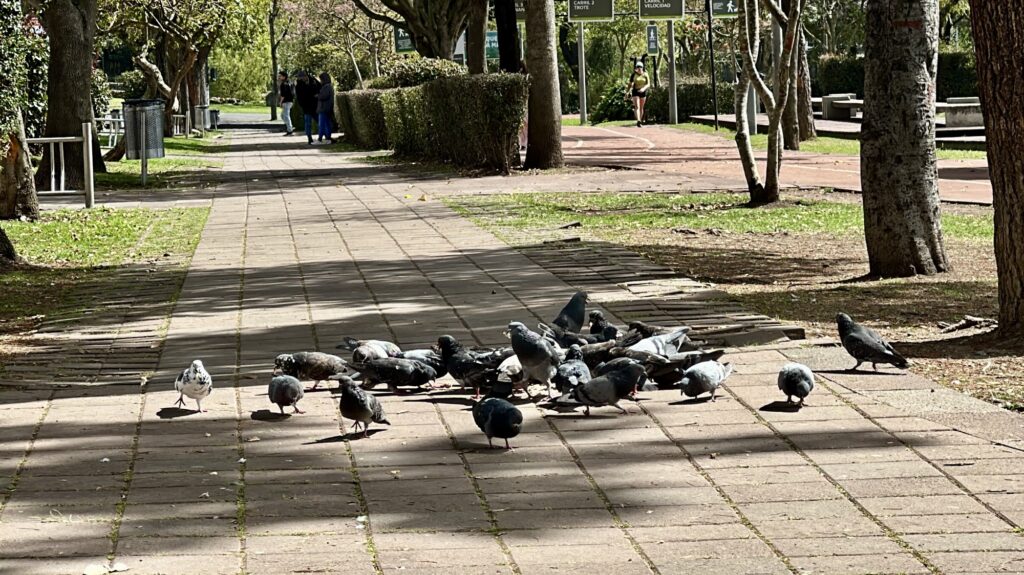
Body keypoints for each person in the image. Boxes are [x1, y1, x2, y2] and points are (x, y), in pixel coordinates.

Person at [295, 71, 321, 145]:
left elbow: (320, 87)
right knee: (308, 123)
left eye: (300, 77)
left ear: (305, 76)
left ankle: (324, 136)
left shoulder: (313, 81)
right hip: (306, 106)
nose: (299, 79)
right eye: (299, 78)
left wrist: (318, 95)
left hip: (315, 105)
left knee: (320, 121)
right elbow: (299, 97)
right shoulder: (299, 85)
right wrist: (302, 105)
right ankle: (309, 138)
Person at [626, 61, 650, 127]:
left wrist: (643, 89)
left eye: (640, 67)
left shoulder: (645, 74)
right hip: (635, 91)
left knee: (641, 107)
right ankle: (638, 121)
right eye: (638, 67)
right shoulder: (633, 75)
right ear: (636, 68)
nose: (639, 68)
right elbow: (630, 84)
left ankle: (640, 121)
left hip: (643, 91)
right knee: (637, 106)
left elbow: (648, 84)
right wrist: (627, 92)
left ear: (642, 68)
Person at [316, 72, 335, 145]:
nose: (320, 81)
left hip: (323, 108)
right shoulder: (329, 86)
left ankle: (320, 139)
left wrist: (318, 96)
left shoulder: (326, 87)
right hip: (327, 108)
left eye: (321, 79)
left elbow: (323, 96)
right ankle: (328, 138)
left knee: (322, 124)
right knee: (327, 124)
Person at [278, 71, 294, 135]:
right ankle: (289, 126)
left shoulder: (283, 84)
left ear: (284, 77)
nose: (279, 77)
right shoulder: (289, 83)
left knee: (286, 116)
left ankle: (290, 129)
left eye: (280, 76)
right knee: (283, 115)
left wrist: (280, 102)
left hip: (286, 101)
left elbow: (283, 95)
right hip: (290, 101)